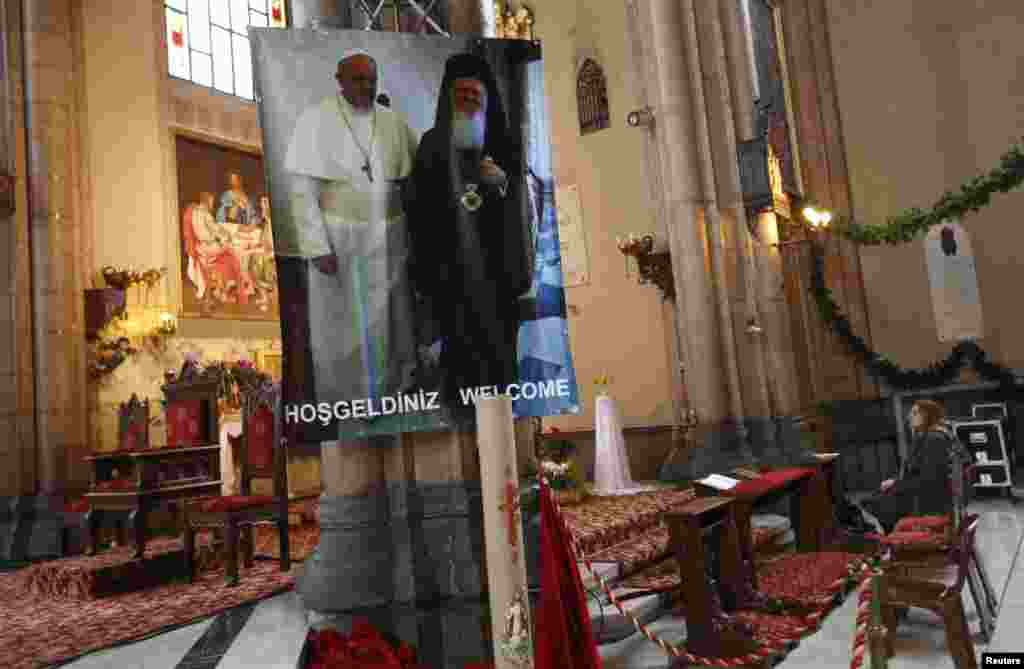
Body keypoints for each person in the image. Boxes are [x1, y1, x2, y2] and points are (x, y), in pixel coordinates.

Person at [283, 50, 420, 415]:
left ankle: (394, 394)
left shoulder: (392, 122)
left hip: (389, 236)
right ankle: (345, 402)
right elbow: (302, 191)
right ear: (339, 80)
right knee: (343, 326)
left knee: (393, 320)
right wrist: (316, 246)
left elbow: (414, 176)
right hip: (339, 240)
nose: (367, 86)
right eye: (358, 79)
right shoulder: (315, 120)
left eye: (372, 79)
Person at [404, 52, 532, 419]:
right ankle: (461, 426)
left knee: (499, 362)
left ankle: (508, 432)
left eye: (476, 94)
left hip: (497, 277)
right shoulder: (432, 144)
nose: (469, 100)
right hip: (452, 275)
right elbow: (417, 209)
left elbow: (524, 201)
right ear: (450, 97)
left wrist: (502, 182)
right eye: (462, 94)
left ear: (487, 98)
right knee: (459, 363)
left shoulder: (504, 144)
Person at [861, 399, 966, 534]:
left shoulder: (934, 439)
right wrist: (895, 482)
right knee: (876, 497)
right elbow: (919, 471)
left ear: (929, 415)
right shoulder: (932, 435)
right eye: (911, 413)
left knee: (874, 503)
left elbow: (930, 479)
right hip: (925, 493)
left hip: (928, 500)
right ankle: (892, 539)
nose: (910, 416)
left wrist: (897, 483)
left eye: (916, 413)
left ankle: (894, 540)